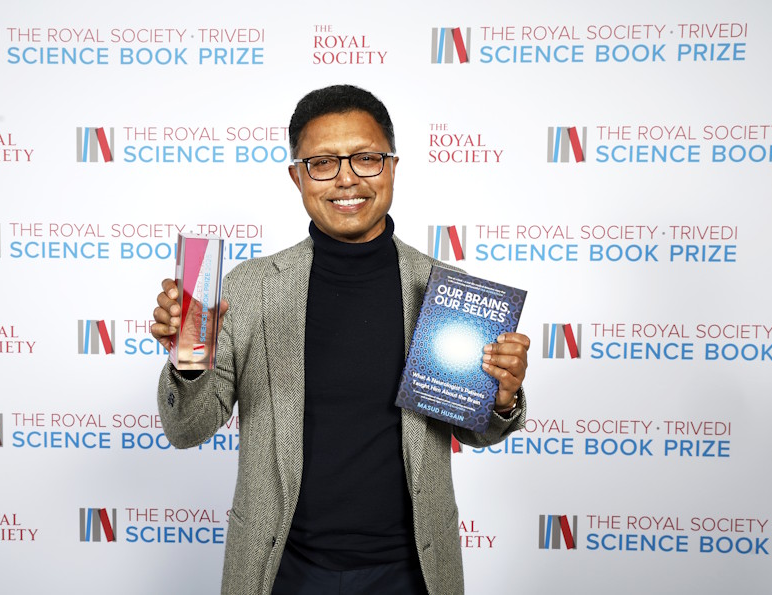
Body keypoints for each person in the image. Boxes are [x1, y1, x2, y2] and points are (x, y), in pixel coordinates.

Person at [151, 84, 529, 595]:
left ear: (392, 166)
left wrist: (501, 398)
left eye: (366, 159)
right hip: (281, 569)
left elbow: (476, 431)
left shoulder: (446, 290)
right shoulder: (249, 287)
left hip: (412, 571)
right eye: (323, 163)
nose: (347, 178)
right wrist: (188, 362)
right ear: (297, 177)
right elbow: (187, 427)